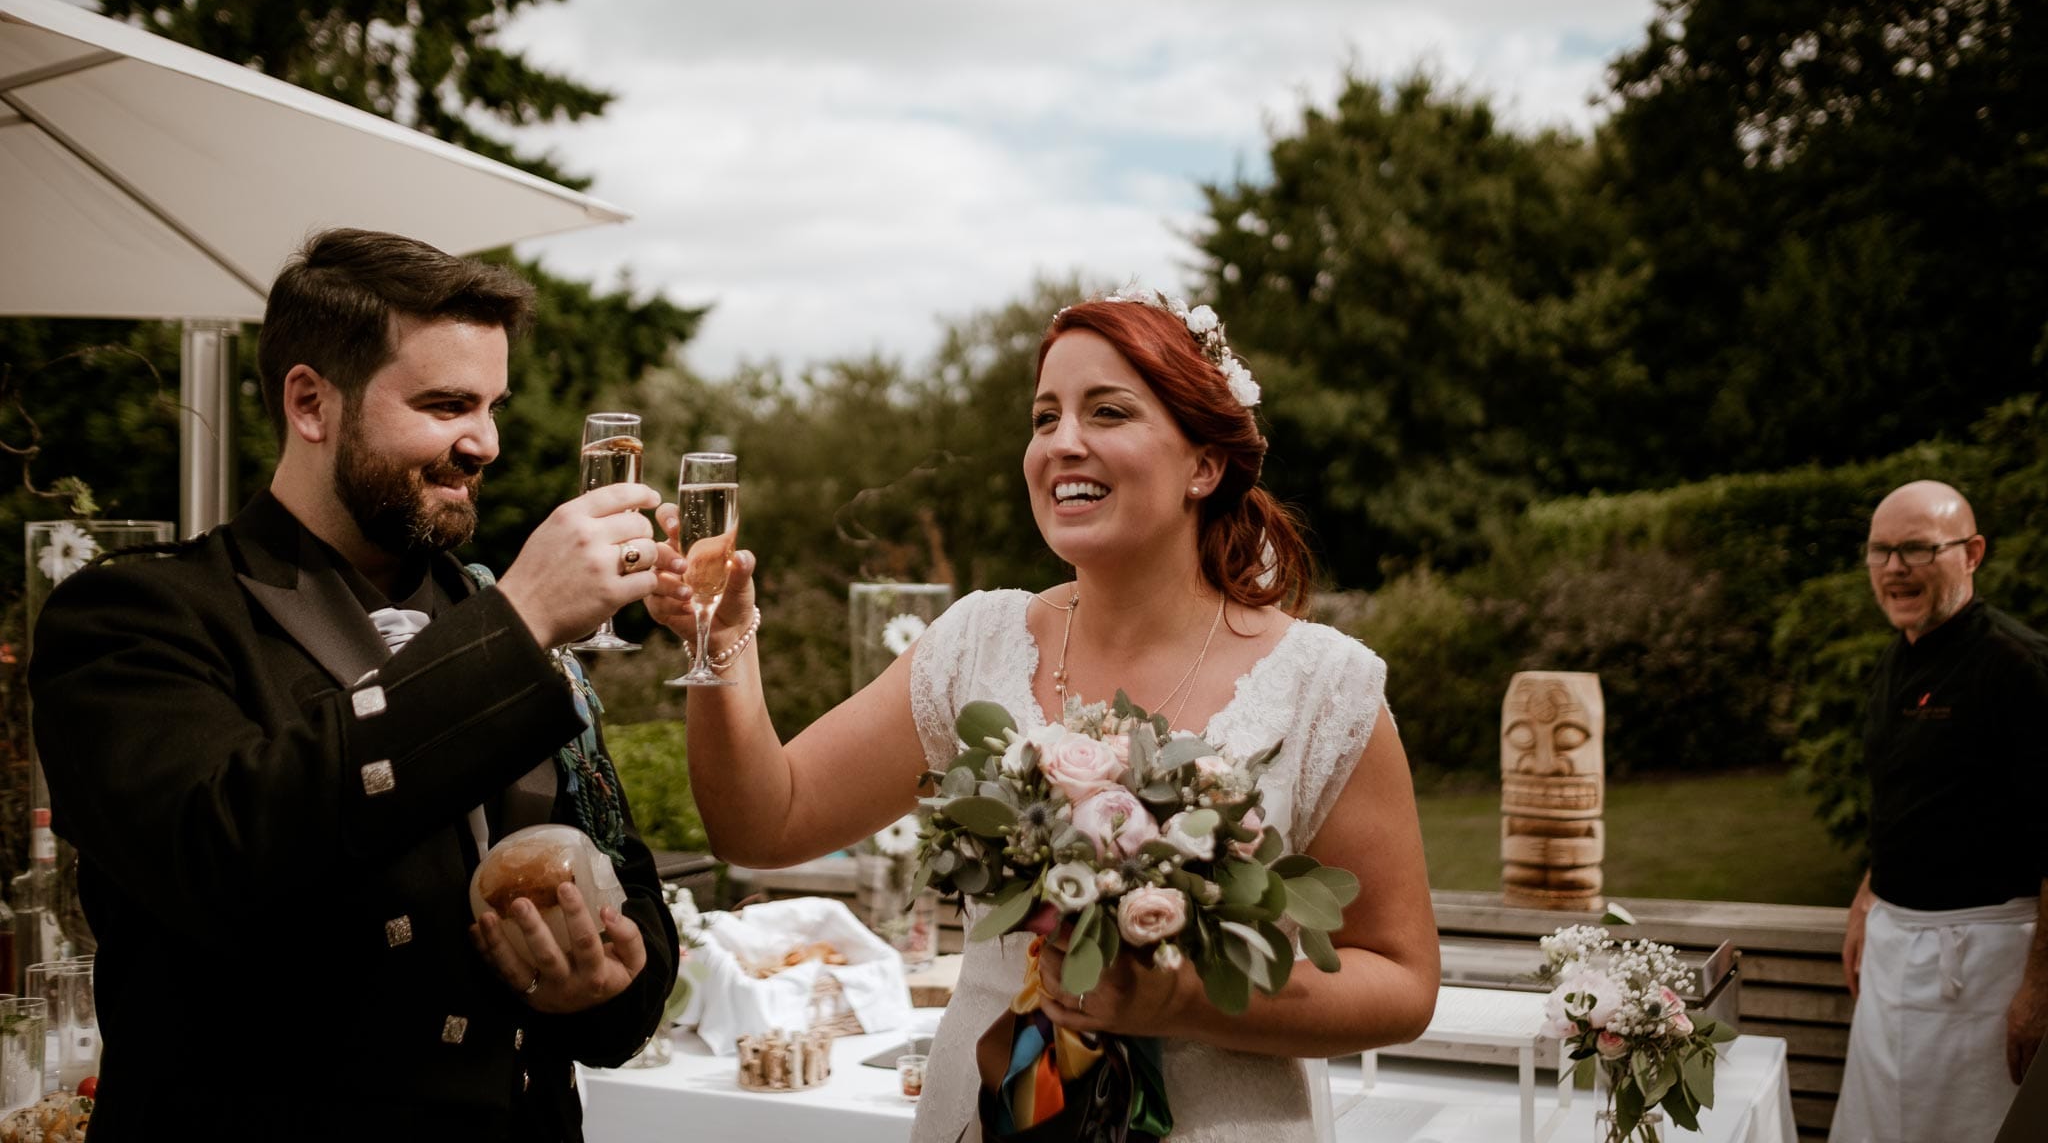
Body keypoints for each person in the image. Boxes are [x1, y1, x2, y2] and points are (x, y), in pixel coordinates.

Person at [647, 290, 1439, 1141]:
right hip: (987, 1117)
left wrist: (1186, 997)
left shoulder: (1324, 688)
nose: (1063, 442)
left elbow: (1401, 981)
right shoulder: (975, 647)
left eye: (1108, 411)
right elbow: (765, 825)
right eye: (1044, 416)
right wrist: (723, 644)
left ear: (1204, 466)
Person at [29, 229, 680, 1140]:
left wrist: (604, 983)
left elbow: (633, 899)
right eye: (447, 403)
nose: (485, 442)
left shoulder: (495, 615)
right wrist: (519, 627)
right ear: (309, 403)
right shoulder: (135, 617)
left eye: (493, 405)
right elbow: (221, 853)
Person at [1831, 480, 2048, 1143]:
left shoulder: (2020, 667)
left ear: (1972, 552)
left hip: (1986, 968)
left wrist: (2039, 986)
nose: (1895, 568)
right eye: (1881, 552)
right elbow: (1904, 797)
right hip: (1892, 955)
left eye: (1918, 549)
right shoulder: (1895, 661)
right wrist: (1868, 898)